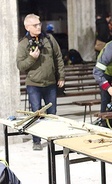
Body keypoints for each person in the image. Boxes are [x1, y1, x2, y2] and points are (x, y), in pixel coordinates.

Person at [16, 14, 65, 151]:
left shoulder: (49, 39)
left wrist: (61, 76)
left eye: (39, 24)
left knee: (52, 113)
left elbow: (58, 57)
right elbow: (20, 66)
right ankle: (36, 141)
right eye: (35, 25)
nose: (39, 27)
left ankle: (51, 139)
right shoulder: (23, 44)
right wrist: (32, 58)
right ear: (27, 27)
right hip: (34, 84)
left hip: (50, 83)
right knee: (36, 113)